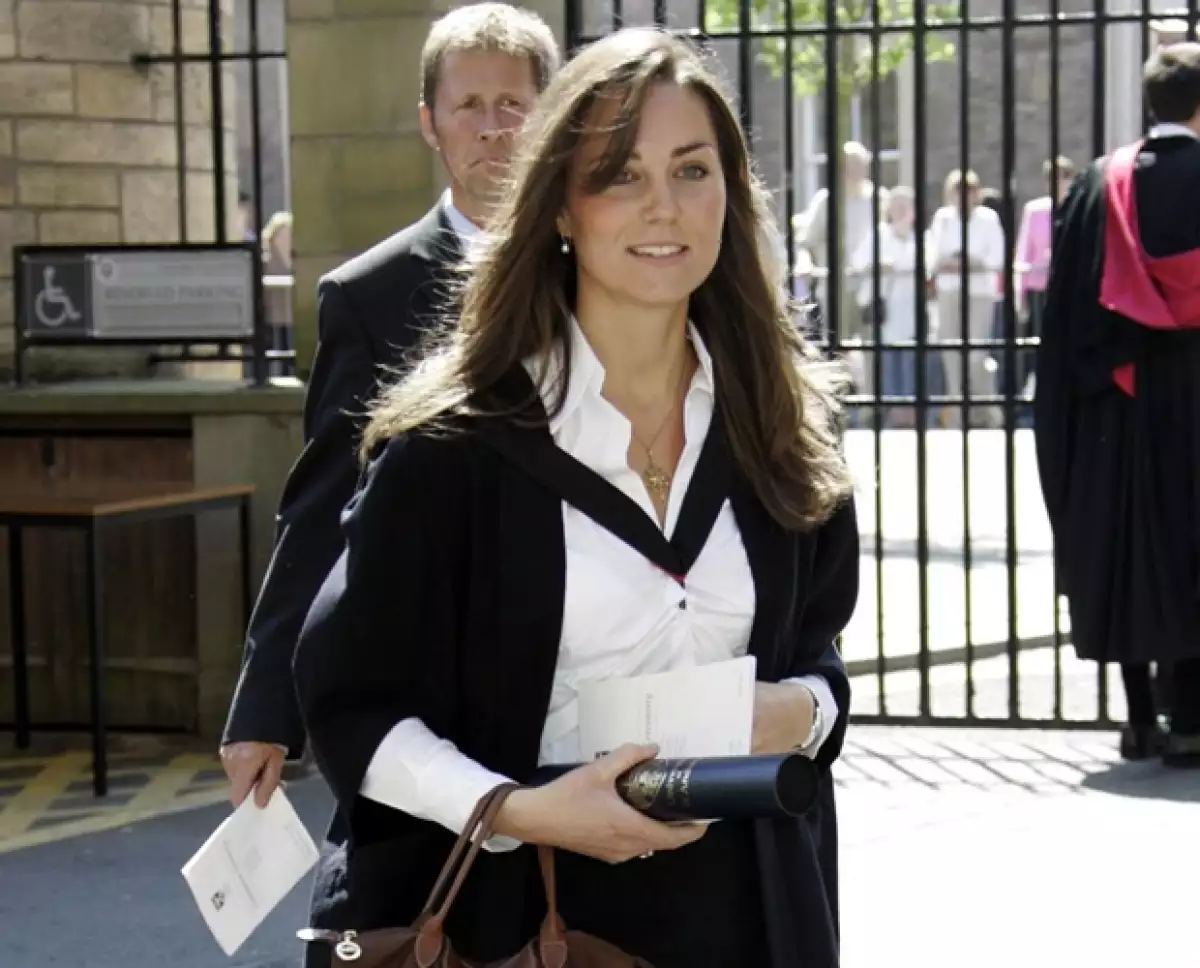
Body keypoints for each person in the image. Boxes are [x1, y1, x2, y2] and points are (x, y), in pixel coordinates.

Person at [293, 28, 859, 968]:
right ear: (560, 204)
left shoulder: (782, 429)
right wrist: (518, 810)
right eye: (620, 176)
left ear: (732, 193)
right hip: (520, 917)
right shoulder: (453, 446)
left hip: (743, 914)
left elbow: (819, 662)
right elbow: (352, 703)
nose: (663, 207)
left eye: (691, 170)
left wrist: (799, 712)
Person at [219, 4, 561, 808]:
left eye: (513, 105)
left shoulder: (609, 270)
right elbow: (322, 502)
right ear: (429, 124)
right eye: (468, 107)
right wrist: (267, 704)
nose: (492, 129)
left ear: (549, 119)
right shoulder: (370, 296)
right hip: (433, 681)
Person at [1034, 41, 1200, 767]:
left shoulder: (1102, 185)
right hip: (1194, 410)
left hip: (1119, 414)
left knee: (1130, 552)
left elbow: (1067, 317)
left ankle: (1137, 721)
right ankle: (1192, 722)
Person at [928, 168, 1006, 427]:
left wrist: (969, 262)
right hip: (949, 290)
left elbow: (995, 258)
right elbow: (935, 257)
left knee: (976, 351)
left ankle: (986, 410)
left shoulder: (988, 219)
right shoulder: (943, 219)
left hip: (980, 292)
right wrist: (956, 262)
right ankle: (957, 411)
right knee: (950, 349)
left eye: (968, 191)